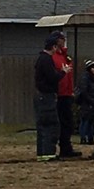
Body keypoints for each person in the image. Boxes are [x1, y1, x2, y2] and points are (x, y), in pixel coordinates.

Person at [34, 31, 71, 162]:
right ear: (53, 47)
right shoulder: (47, 59)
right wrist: (63, 72)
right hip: (47, 96)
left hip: (40, 96)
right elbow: (52, 77)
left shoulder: (40, 58)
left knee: (42, 126)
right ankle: (49, 154)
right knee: (52, 125)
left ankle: (42, 154)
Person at [50, 33, 81, 158]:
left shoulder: (65, 56)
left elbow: (68, 75)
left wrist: (71, 90)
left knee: (68, 123)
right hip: (59, 94)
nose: (63, 42)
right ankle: (61, 147)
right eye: (62, 39)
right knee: (61, 122)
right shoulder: (53, 57)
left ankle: (66, 147)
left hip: (67, 94)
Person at [76, 59, 94, 145]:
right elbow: (84, 91)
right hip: (86, 103)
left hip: (92, 102)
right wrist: (90, 100)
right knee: (85, 120)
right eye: (93, 67)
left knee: (90, 121)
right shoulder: (85, 78)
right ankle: (83, 137)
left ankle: (90, 138)